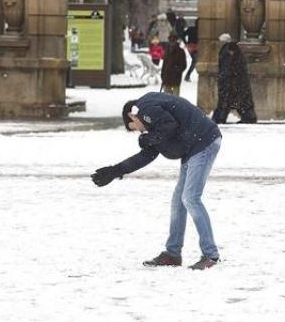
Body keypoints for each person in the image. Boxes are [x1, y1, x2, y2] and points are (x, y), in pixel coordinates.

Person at [90, 93, 223, 270]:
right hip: (193, 147)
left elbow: (170, 126)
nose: (138, 131)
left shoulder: (145, 108)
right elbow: (148, 154)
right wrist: (116, 170)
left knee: (191, 198)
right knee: (178, 202)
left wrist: (149, 138)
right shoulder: (153, 124)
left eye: (134, 127)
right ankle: (173, 254)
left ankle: (210, 255)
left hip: (203, 141)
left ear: (132, 115)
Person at [212, 33, 257, 124]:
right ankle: (249, 117)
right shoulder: (233, 50)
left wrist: (224, 78)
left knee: (225, 101)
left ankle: (219, 118)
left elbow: (226, 67)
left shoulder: (227, 50)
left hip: (231, 81)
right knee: (241, 101)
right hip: (238, 81)